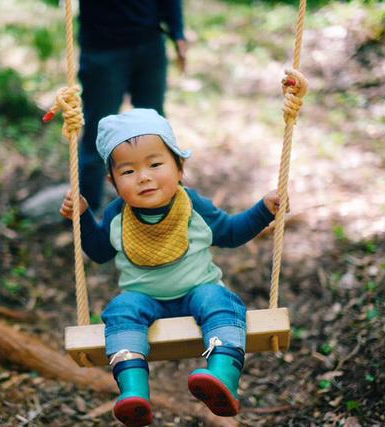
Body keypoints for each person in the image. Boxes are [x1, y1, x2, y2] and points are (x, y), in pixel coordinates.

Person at [60, 109, 282, 426]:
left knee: (221, 300)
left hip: (197, 291)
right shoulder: (116, 215)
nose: (144, 176)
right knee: (121, 309)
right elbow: (98, 252)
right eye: (128, 171)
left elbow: (231, 233)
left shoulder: (193, 206)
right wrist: (82, 217)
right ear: (113, 182)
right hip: (143, 298)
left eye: (155, 164)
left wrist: (263, 211)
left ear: (179, 167)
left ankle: (222, 376)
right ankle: (133, 392)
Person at [77, 0, 187, 212]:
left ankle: (167, 211)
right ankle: (87, 219)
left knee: (156, 132)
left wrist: (178, 32)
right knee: (96, 135)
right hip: (103, 46)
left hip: (150, 42)